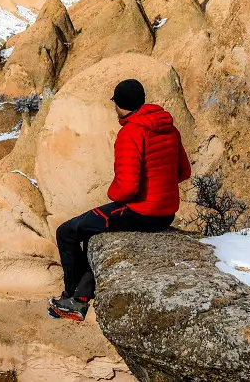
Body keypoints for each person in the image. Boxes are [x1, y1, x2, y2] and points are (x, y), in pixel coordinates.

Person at [48, 78, 191, 321]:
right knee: (93, 231)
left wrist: (113, 194)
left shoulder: (131, 132)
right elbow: (183, 172)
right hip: (166, 213)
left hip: (142, 213)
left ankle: (72, 299)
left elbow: (126, 189)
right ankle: (81, 298)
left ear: (120, 104)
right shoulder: (168, 128)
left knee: (68, 231)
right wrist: (159, 186)